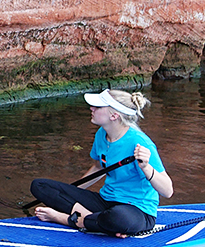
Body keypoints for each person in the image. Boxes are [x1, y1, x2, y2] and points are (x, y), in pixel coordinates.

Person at [30, 89, 173, 237]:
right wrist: (71, 192)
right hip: (105, 201)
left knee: (118, 218)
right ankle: (97, 221)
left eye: (97, 107)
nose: (91, 108)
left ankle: (68, 219)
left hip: (137, 209)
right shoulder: (101, 134)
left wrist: (146, 167)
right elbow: (98, 168)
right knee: (40, 186)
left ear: (114, 115)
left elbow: (168, 191)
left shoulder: (140, 143)